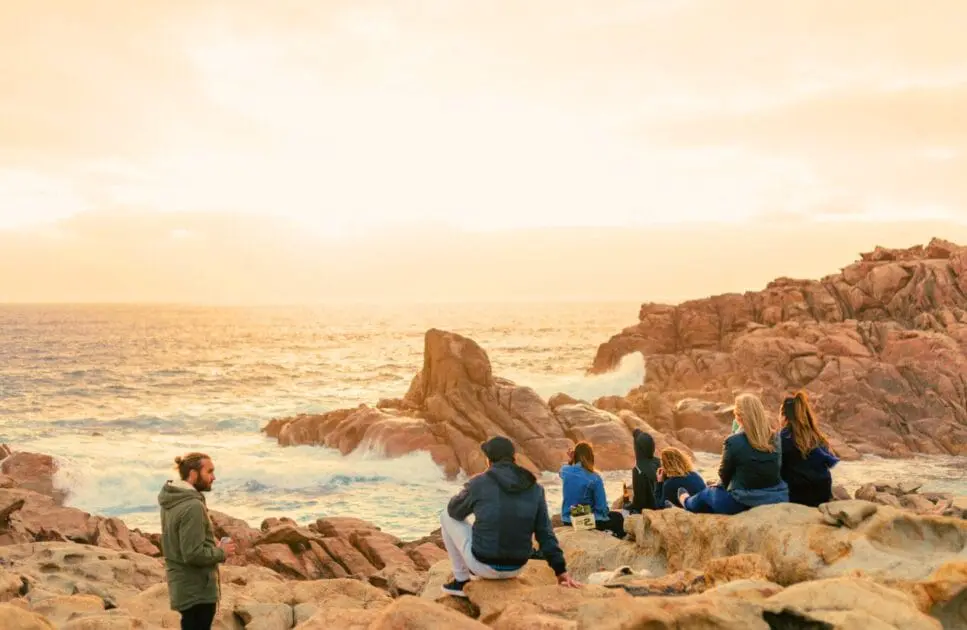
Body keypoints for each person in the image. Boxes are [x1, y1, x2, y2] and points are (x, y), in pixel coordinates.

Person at [440, 436, 581, 597]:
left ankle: (461, 581)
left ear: (488, 460)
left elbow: (454, 511)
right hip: (517, 567)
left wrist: (471, 489)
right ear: (514, 458)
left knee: (445, 515)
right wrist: (560, 571)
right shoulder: (534, 487)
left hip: (483, 564)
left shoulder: (480, 483)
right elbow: (545, 534)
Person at [158, 453, 237, 630]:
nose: (213, 477)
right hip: (197, 592)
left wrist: (211, 547)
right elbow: (192, 554)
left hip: (182, 587)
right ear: (193, 474)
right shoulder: (192, 506)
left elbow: (182, 544)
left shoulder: (171, 499)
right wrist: (221, 552)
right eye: (209, 471)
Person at [678, 394, 788, 514]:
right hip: (775, 497)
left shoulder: (733, 441)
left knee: (707, 493)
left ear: (739, 417)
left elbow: (724, 475)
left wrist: (718, 485)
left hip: (741, 502)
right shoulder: (776, 438)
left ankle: (687, 502)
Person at [779, 392, 840, 507]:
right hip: (822, 493)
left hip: (798, 495)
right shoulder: (816, 436)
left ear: (784, 416)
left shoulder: (783, 437)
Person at [559, 442, 626, 538]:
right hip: (584, 521)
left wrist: (571, 460)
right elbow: (601, 508)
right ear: (591, 457)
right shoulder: (594, 478)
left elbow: (561, 472)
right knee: (618, 517)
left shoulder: (565, 470)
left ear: (575, 456)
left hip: (567, 520)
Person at [624, 429, 660, 513]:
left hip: (649, 510)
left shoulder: (638, 469)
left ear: (638, 449)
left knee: (624, 512)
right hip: (661, 506)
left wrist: (626, 504)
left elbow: (640, 502)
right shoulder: (659, 461)